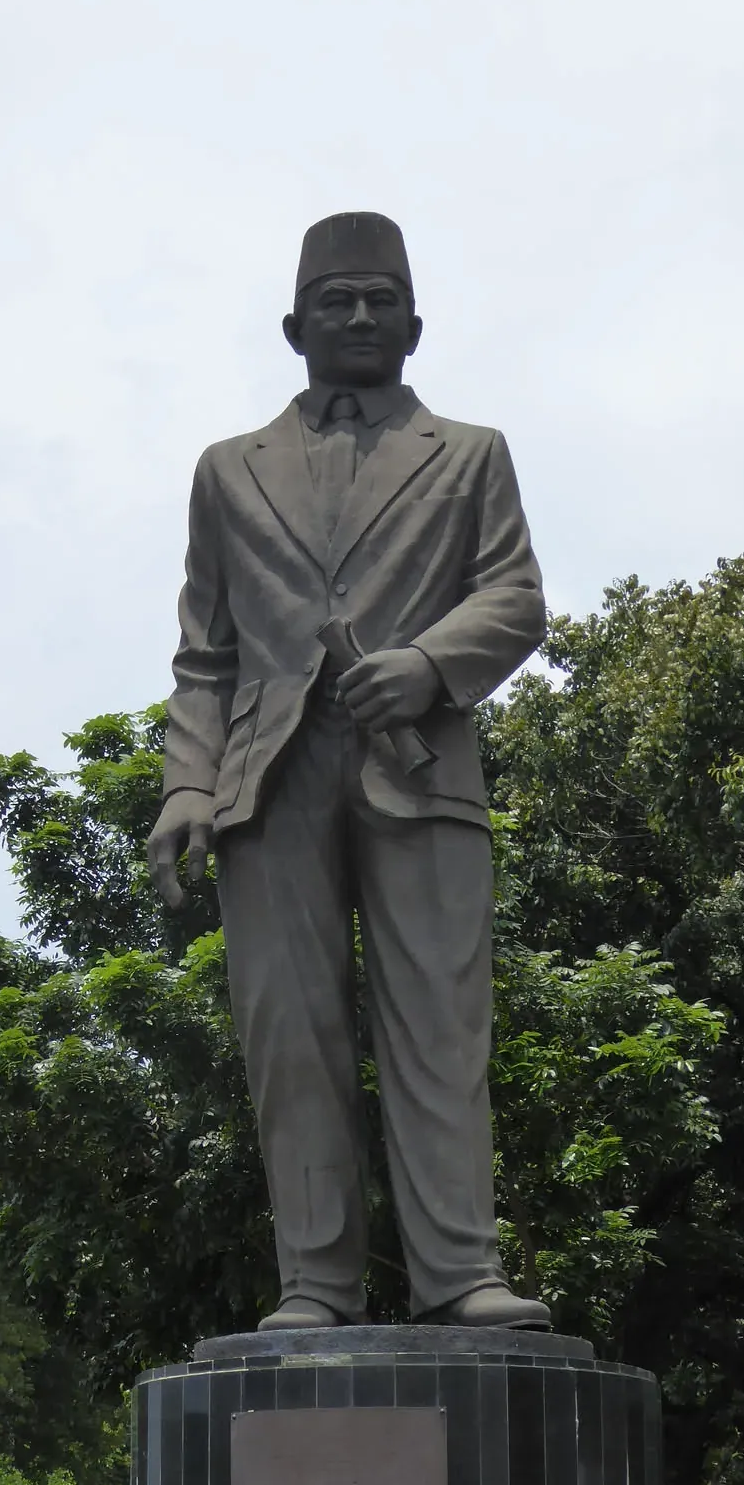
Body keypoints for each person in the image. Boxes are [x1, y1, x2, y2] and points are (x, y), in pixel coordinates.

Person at [148, 212, 551, 1332]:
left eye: (382, 300)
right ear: (295, 326)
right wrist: (189, 783)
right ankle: (315, 1285)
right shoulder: (229, 472)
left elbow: (514, 597)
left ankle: (460, 1274)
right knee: (292, 1039)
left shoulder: (470, 454)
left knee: (439, 1026)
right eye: (338, 301)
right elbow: (207, 654)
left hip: (419, 771)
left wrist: (426, 665)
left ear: (415, 324)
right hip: (268, 781)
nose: (362, 317)